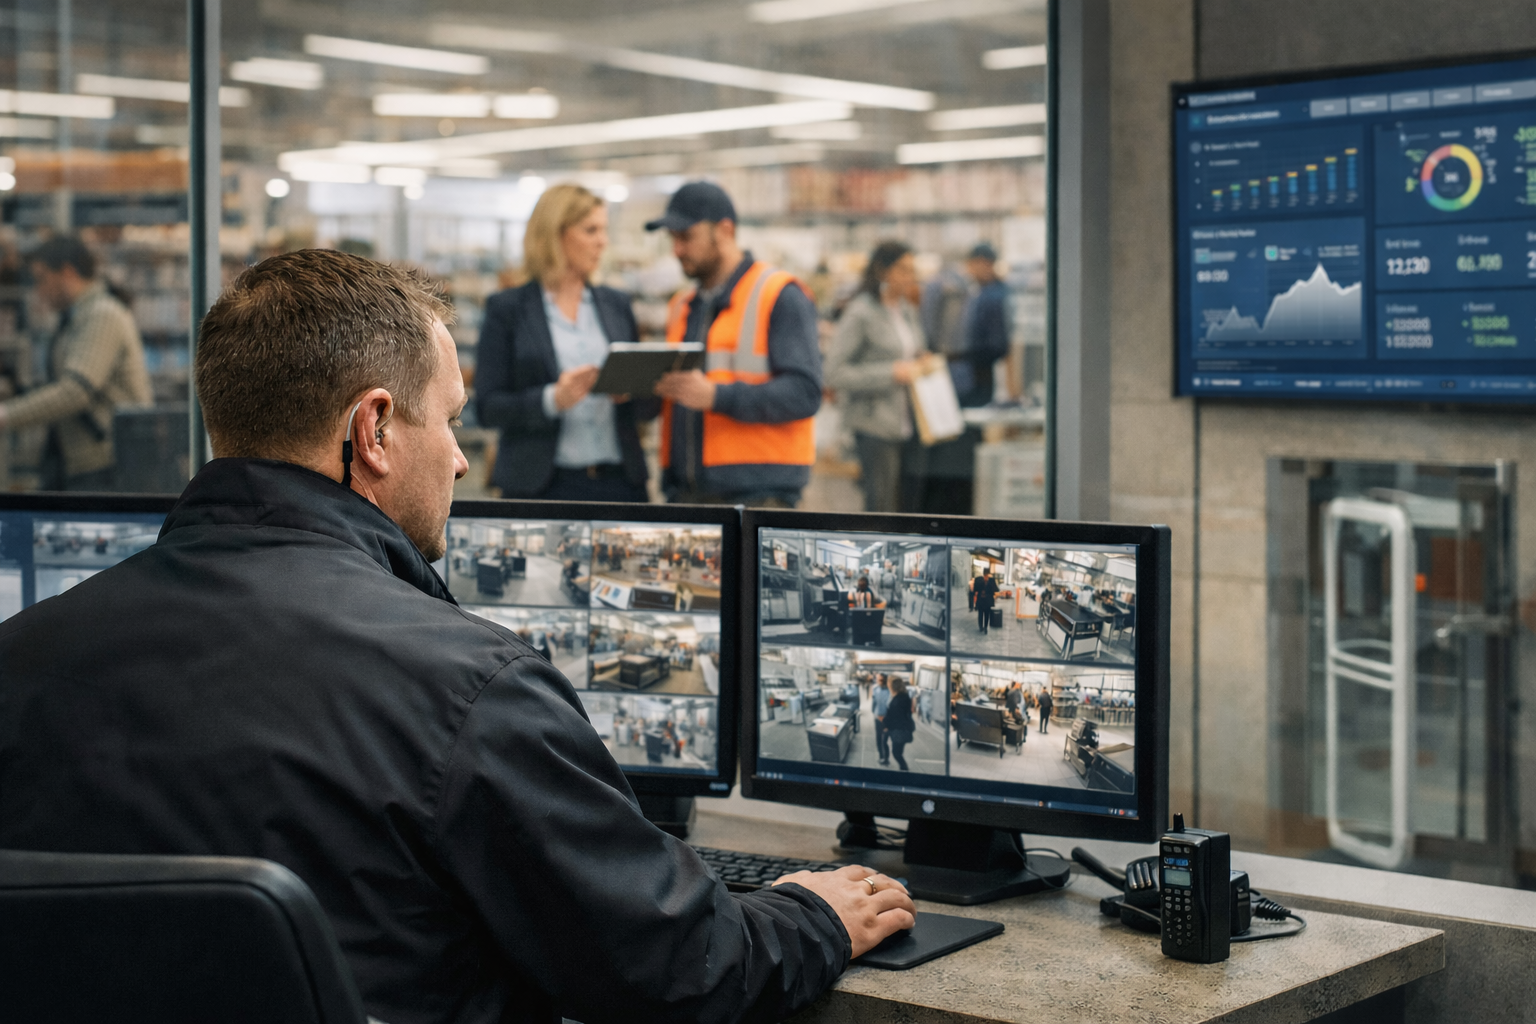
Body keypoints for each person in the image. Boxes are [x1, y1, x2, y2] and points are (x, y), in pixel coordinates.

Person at [0, 249, 914, 1024]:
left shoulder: (24, 655)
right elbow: (676, 970)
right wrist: (810, 916)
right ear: (375, 430)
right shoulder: (465, 687)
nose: (464, 458)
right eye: (451, 419)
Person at [476, 183, 655, 501]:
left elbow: (646, 408)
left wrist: (630, 389)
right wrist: (552, 399)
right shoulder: (508, 309)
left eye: (604, 230)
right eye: (591, 230)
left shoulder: (616, 305)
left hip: (619, 484)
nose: (603, 242)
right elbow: (488, 408)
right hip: (541, 486)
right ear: (555, 235)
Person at [648, 182, 822, 507]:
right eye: (672, 239)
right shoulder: (683, 305)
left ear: (724, 231)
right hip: (687, 494)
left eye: (686, 237)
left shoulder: (779, 295)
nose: (676, 250)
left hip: (757, 496)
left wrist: (717, 396)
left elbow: (805, 393)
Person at [0, 235, 152, 490]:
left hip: (105, 464)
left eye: (42, 278)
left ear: (67, 273)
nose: (38, 290)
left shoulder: (102, 314)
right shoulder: (76, 317)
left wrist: (6, 415)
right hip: (82, 460)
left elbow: (76, 390)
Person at [824, 241, 936, 513]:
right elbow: (834, 372)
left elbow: (908, 351)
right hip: (875, 425)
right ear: (882, 271)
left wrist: (921, 360)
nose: (909, 276)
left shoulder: (906, 310)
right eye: (902, 269)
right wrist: (890, 373)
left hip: (911, 422)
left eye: (912, 270)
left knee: (908, 505)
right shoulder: (861, 312)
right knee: (881, 506)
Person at [951, 242, 1011, 408]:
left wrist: (967, 355)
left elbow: (998, 343)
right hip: (975, 370)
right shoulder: (980, 291)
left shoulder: (993, 295)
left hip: (981, 370)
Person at [885, 677, 916, 772]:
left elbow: (894, 716)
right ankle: (903, 768)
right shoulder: (905, 697)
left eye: (890, 686)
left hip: (898, 729)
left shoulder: (897, 700)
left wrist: (887, 725)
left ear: (894, 687)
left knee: (896, 753)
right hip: (903, 728)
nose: (889, 687)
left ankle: (904, 769)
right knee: (898, 752)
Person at [871, 673, 892, 766]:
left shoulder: (890, 691)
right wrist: (874, 713)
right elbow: (874, 702)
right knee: (878, 739)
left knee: (884, 741)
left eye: (880, 679)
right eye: (877, 679)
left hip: (887, 719)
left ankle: (886, 759)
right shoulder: (875, 689)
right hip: (877, 718)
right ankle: (881, 757)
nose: (878, 681)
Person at [974, 565, 1001, 634]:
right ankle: (981, 627)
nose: (986, 576)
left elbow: (996, 589)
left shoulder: (991, 580)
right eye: (986, 574)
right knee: (981, 615)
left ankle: (985, 627)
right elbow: (975, 589)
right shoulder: (979, 580)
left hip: (987, 601)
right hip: (981, 600)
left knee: (986, 615)